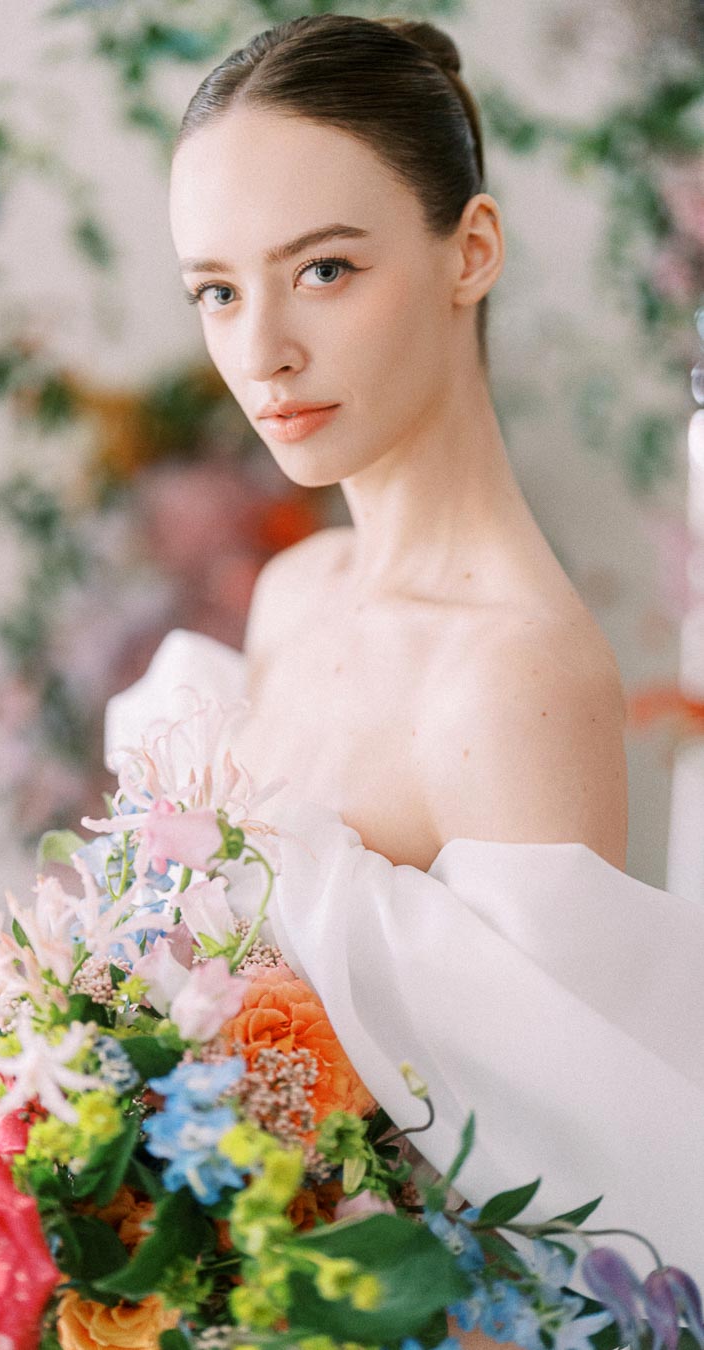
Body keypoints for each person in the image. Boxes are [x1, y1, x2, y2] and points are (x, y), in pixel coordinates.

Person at [105, 11, 704, 1331]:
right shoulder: (293, 588)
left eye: (322, 270)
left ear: (468, 251)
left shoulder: (513, 675)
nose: (259, 348)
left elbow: (561, 1210)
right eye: (217, 288)